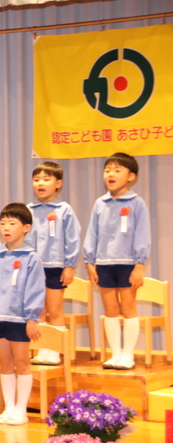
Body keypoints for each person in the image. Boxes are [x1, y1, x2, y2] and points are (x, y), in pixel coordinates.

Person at [0, 203, 45, 426]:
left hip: (20, 319)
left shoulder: (31, 257)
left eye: (12, 223)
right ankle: (9, 408)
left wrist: (32, 318)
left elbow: (35, 289)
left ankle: (21, 410)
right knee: (5, 362)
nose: (6, 227)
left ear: (26, 228)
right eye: (3, 223)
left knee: (22, 362)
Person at [83, 152, 150, 370]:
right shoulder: (100, 203)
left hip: (128, 263)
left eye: (117, 170)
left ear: (131, 176)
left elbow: (142, 234)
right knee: (110, 309)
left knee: (128, 308)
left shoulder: (137, 203)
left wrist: (139, 265)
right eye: (107, 170)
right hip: (103, 263)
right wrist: (90, 262)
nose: (110, 174)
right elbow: (92, 233)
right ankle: (115, 354)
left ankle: (128, 355)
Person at [26, 162, 81, 366]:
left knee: (55, 310)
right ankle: (43, 349)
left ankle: (55, 351)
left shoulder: (64, 210)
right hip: (34, 268)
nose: (40, 183)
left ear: (58, 183)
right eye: (37, 179)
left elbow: (72, 238)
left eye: (46, 179)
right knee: (39, 311)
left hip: (55, 266)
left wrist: (69, 265)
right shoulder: (28, 210)